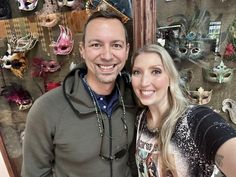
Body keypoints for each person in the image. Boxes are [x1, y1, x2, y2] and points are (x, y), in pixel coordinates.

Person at [21, 11, 138, 177]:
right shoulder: (46, 110)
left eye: (116, 45)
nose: (106, 55)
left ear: (126, 51)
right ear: (82, 50)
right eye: (96, 45)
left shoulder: (136, 99)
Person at [131, 44, 236, 177]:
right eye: (137, 72)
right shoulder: (140, 119)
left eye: (156, 71)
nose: (144, 82)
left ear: (170, 77)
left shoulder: (195, 120)